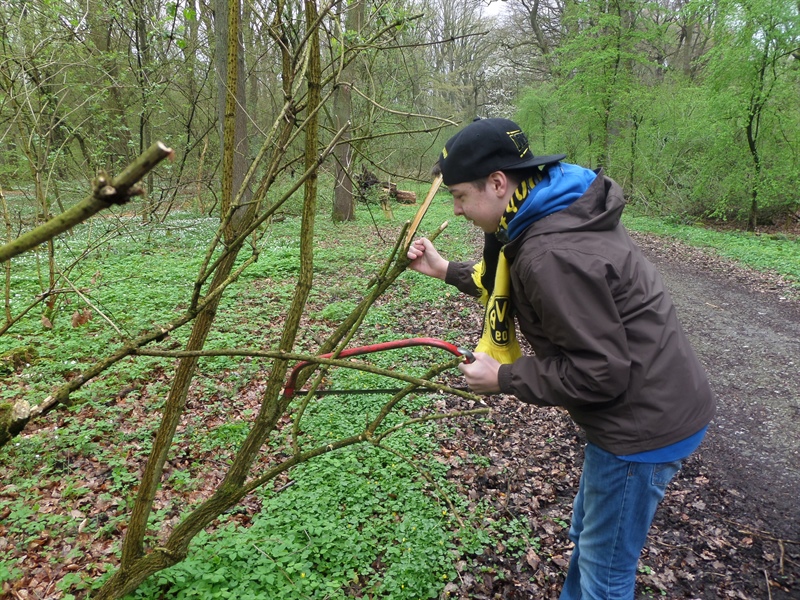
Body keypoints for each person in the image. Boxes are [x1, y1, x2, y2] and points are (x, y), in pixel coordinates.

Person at [407, 117, 716, 600]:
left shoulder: (549, 250)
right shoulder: (542, 210)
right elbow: (505, 280)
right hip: (643, 407)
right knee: (589, 541)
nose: (458, 209)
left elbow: (601, 372)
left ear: (497, 183)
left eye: (461, 196)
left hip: (641, 427)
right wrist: (444, 269)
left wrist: (504, 377)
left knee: (605, 573)